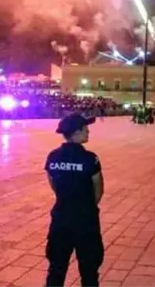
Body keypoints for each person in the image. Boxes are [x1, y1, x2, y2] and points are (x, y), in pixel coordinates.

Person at [44, 113, 104, 287]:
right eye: (86, 129)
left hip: (61, 217)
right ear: (76, 132)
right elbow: (98, 189)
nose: (88, 131)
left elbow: (53, 184)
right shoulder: (90, 158)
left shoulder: (52, 156)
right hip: (86, 220)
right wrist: (86, 205)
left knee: (56, 267)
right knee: (89, 269)